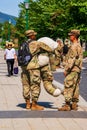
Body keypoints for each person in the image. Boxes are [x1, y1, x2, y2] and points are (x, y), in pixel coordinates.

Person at [21, 30, 63, 110]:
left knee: (26, 85)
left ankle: (27, 104)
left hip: (24, 67)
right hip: (33, 67)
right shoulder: (37, 43)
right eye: (34, 35)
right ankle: (34, 105)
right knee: (35, 85)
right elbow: (50, 49)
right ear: (32, 36)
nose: (35, 36)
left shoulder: (23, 44)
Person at [58, 29, 83, 111]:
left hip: (72, 69)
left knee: (68, 85)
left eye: (71, 35)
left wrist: (67, 69)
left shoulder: (74, 46)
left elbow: (71, 59)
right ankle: (74, 104)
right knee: (75, 86)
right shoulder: (79, 45)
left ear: (74, 36)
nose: (69, 37)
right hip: (77, 69)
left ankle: (67, 105)